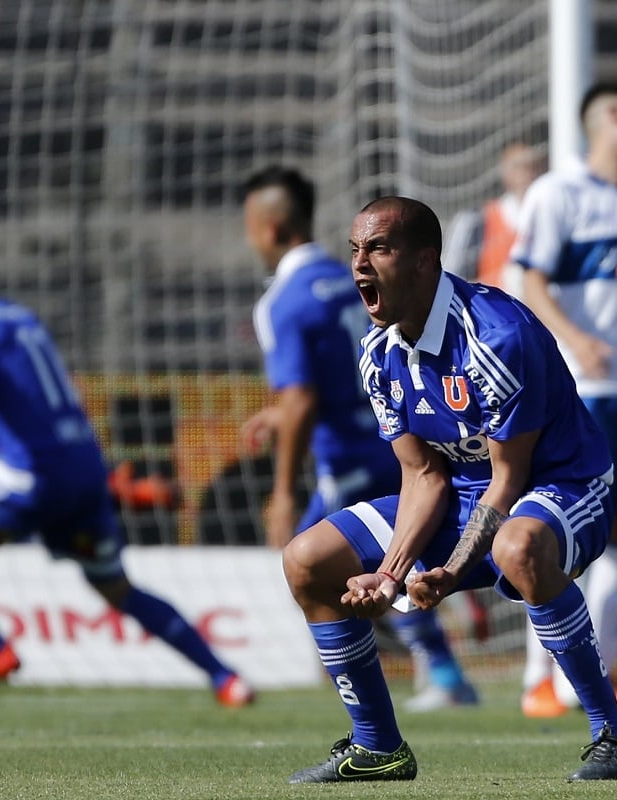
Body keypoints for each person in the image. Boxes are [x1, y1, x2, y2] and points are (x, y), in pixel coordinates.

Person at [282, 196, 617, 783]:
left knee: (518, 549)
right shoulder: (379, 353)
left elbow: (509, 478)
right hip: (462, 495)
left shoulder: (497, 336)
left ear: (426, 261)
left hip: (563, 485)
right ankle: (378, 749)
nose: (359, 267)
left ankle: (614, 738)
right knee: (306, 560)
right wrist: (392, 574)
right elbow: (422, 475)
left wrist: (449, 573)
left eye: (378, 249)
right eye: (355, 250)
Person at [0, 226, 255, 707]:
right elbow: (16, 420)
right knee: (115, 586)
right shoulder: (20, 319)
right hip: (82, 476)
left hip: (29, 480)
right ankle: (226, 679)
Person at [239, 166, 477, 712]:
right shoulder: (347, 277)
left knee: (313, 562)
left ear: (269, 229)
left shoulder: (284, 299)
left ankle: (425, 676)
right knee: (381, 556)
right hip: (399, 439)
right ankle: (434, 658)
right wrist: (280, 416)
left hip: (345, 455)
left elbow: (301, 397)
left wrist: (281, 489)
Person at [510, 81, 617, 719]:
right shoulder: (558, 192)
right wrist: (576, 339)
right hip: (581, 388)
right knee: (554, 534)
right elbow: (530, 277)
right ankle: (538, 681)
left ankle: (596, 675)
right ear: (607, 119)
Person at [442, 141, 544, 293]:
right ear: (504, 171)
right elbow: (450, 277)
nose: (526, 174)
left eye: (532, 166)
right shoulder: (476, 220)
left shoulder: (546, 221)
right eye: (518, 167)